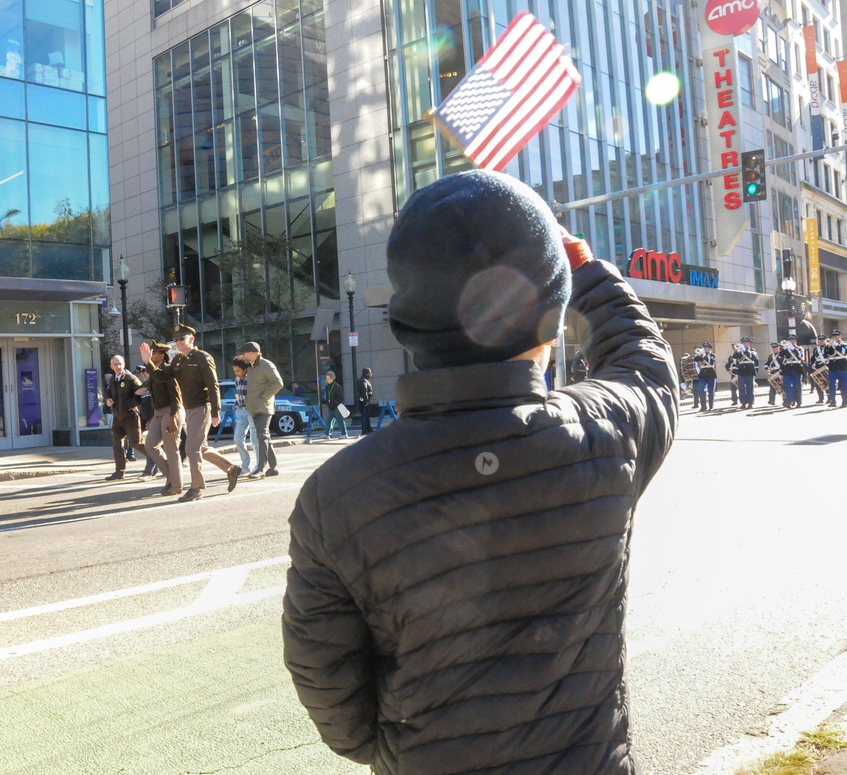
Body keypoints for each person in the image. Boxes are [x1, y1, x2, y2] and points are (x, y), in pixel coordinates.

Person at [282, 170, 678, 774]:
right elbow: (646, 365)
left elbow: (327, 681)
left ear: (409, 325)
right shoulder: (604, 435)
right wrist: (587, 270)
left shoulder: (334, 495)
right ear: (551, 308)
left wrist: (395, 749)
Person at [140, 324, 239, 503]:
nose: (178, 342)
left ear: (191, 340)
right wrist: (148, 362)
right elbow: (162, 377)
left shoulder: (202, 358)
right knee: (199, 448)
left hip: (202, 407)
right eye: (176, 339)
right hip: (189, 408)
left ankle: (196, 488)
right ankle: (231, 469)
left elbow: (213, 385)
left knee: (191, 449)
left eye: (182, 339)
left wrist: (216, 412)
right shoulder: (178, 360)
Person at [140, 342, 185, 495]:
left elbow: (176, 396)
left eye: (153, 352)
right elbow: (154, 397)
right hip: (158, 412)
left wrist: (173, 416)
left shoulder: (167, 370)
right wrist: (152, 416)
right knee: (150, 445)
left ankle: (177, 485)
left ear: (161, 355)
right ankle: (171, 476)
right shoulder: (155, 372)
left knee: (171, 449)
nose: (150, 355)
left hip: (170, 411)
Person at [240, 341, 284, 479]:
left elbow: (278, 383)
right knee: (264, 437)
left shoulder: (266, 365)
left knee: (262, 436)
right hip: (254, 407)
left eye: (244, 353)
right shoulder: (251, 367)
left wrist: (264, 398)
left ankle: (260, 468)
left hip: (263, 407)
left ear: (252, 353)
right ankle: (273, 467)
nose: (243, 356)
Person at [104, 355, 146, 480]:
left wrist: (129, 404)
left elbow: (140, 394)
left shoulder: (130, 379)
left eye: (120, 364)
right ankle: (119, 471)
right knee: (116, 444)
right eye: (115, 364)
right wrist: (108, 400)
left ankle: (155, 459)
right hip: (117, 417)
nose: (118, 366)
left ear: (124, 364)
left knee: (135, 443)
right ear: (111, 366)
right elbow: (108, 394)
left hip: (130, 416)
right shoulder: (112, 379)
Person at [231, 356, 260, 476]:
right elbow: (238, 393)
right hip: (241, 410)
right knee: (237, 438)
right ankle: (245, 466)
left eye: (238, 370)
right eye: (235, 371)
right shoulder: (237, 379)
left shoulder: (252, 378)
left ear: (245, 369)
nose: (236, 373)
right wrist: (237, 407)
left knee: (255, 439)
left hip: (251, 410)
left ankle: (259, 466)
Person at [777, 334, 806, 409]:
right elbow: (780, 357)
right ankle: (788, 401)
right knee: (787, 385)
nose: (791, 341)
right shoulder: (785, 349)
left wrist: (792, 348)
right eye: (790, 340)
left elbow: (799, 355)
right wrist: (784, 349)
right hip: (787, 369)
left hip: (796, 368)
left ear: (795, 341)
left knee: (797, 385)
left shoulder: (799, 348)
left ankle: (798, 402)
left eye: (793, 340)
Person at [322, 371, 348, 439]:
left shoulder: (337, 387)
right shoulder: (327, 387)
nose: (327, 380)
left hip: (337, 407)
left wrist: (335, 403)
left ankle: (344, 433)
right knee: (329, 420)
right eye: (326, 379)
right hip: (331, 406)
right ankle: (327, 434)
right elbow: (328, 396)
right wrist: (327, 402)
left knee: (340, 420)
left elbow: (340, 397)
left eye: (328, 378)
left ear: (332, 378)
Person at [735, 336, 759, 408]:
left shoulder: (752, 351)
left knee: (750, 388)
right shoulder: (740, 352)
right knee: (741, 387)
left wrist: (756, 372)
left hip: (750, 371)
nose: (744, 344)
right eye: (743, 342)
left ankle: (750, 403)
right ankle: (743, 402)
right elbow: (735, 357)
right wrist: (737, 351)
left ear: (749, 344)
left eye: (746, 342)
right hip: (741, 371)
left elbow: (754, 358)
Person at [826, 330, 847, 406]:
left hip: (842, 366)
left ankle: (845, 401)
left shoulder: (844, 345)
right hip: (833, 367)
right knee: (831, 384)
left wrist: (836, 345)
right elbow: (826, 354)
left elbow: (844, 352)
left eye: (836, 336)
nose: (835, 337)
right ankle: (833, 401)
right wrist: (829, 346)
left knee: (843, 385)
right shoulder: (830, 345)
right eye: (833, 336)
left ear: (840, 336)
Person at [809, 334, 830, 405]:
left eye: (822, 340)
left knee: (826, 382)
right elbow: (813, 358)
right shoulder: (816, 349)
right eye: (819, 340)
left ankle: (829, 398)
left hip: (825, 366)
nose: (821, 341)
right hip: (818, 366)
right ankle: (821, 398)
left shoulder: (828, 348)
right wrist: (812, 364)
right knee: (818, 382)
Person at [696, 342, 717, 411]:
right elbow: (695, 359)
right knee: (702, 391)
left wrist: (704, 355)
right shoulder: (701, 355)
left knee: (711, 391)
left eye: (706, 348)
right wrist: (699, 354)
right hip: (702, 374)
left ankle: (711, 406)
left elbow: (711, 362)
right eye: (704, 348)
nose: (705, 349)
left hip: (711, 374)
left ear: (709, 349)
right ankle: (703, 406)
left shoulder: (712, 355)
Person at [356, 367, 374, 434]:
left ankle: (368, 428)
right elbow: (364, 391)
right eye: (370, 373)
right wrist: (366, 401)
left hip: (364, 401)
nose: (371, 374)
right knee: (365, 415)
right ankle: (365, 430)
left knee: (366, 415)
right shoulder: (363, 380)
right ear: (367, 373)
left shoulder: (363, 380)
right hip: (364, 402)